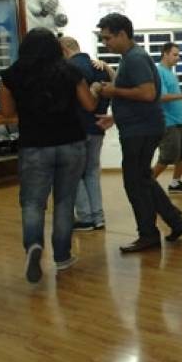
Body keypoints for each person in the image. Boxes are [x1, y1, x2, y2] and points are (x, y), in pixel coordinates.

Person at [0, 28, 96, 282]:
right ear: (55, 47)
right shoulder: (69, 71)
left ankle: (33, 245)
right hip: (71, 144)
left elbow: (7, 112)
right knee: (65, 201)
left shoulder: (12, 75)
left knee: (32, 203)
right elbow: (89, 104)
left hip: (34, 146)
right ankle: (62, 256)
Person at [95, 13, 182, 253]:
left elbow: (147, 94)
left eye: (108, 38)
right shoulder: (132, 57)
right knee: (143, 179)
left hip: (141, 131)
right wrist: (116, 116)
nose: (105, 43)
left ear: (122, 34)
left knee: (134, 183)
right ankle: (176, 221)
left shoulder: (135, 58)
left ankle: (148, 234)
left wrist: (112, 91)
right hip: (141, 126)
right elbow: (141, 97)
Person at [60, 36, 112, 231]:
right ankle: (98, 217)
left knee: (74, 174)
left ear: (64, 49)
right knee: (91, 172)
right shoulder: (101, 68)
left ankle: (85, 217)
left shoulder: (68, 70)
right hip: (98, 126)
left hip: (76, 128)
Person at [152, 42, 182, 194]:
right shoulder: (159, 72)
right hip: (168, 122)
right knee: (167, 156)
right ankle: (148, 182)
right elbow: (161, 97)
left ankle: (175, 184)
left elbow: (173, 97)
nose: (178, 58)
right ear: (165, 54)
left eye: (178, 55)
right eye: (175, 55)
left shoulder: (170, 72)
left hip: (180, 121)